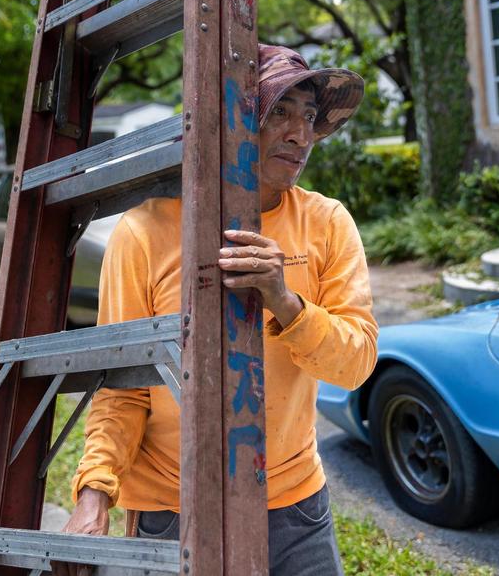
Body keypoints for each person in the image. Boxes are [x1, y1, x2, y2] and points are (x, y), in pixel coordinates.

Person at [54, 44, 378, 576]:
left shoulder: (327, 222)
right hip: (172, 507)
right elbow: (123, 386)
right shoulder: (146, 233)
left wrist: (286, 301)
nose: (301, 135)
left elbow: (357, 360)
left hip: (294, 505)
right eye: (279, 113)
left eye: (310, 116)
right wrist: (95, 495)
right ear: (229, 120)